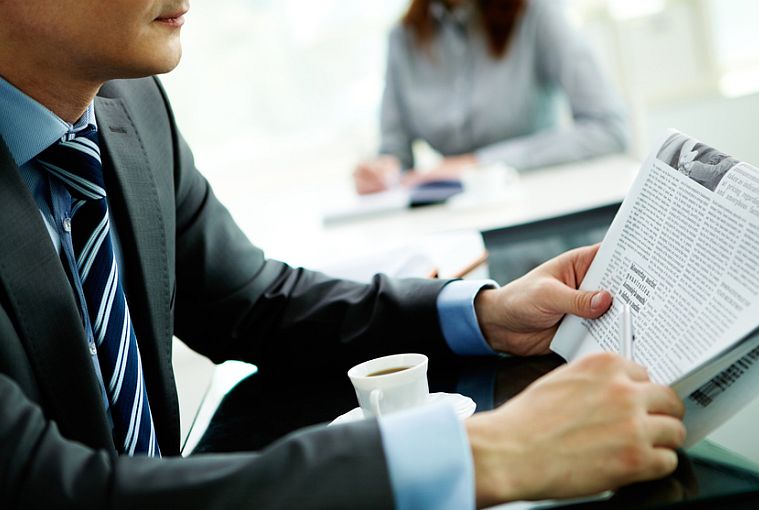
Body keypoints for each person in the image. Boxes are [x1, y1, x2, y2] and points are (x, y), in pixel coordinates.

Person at [0, 1, 685, 509]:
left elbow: (254, 301)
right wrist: (483, 455)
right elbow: (50, 488)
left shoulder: (132, 106)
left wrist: (484, 315)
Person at [354, 0, 629, 195]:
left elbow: (609, 130)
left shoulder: (537, 13)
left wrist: (478, 164)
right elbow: (395, 153)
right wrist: (382, 172)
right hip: (457, 234)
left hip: (543, 227)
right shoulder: (403, 38)